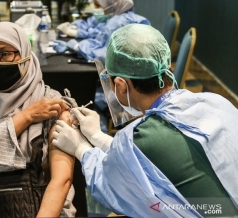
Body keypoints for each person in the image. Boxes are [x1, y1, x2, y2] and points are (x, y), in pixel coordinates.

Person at [52, 24, 238, 217]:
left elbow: (111, 186)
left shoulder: (143, 138)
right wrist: (97, 136)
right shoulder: (215, 101)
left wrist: (80, 148)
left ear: (121, 85)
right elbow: (146, 159)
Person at [0, 22, 76, 217]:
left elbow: (62, 180)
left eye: (5, 54)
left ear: (25, 52)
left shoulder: (52, 102)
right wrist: (27, 116)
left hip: (40, 206)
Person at [53, 0, 150, 62]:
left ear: (112, 4)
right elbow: (101, 40)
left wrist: (77, 47)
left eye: (99, 5)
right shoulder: (132, 18)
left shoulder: (117, 22)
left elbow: (106, 54)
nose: (99, 9)